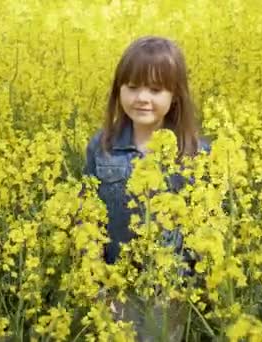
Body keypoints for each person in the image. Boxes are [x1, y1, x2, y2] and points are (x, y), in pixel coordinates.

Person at [82, 36, 210, 341]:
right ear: (118, 90)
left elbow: (206, 224)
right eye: (132, 87)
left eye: (155, 90)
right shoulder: (102, 147)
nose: (142, 98)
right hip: (116, 285)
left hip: (170, 290)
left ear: (175, 96)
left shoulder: (195, 153)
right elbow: (87, 216)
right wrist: (95, 282)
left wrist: (200, 288)